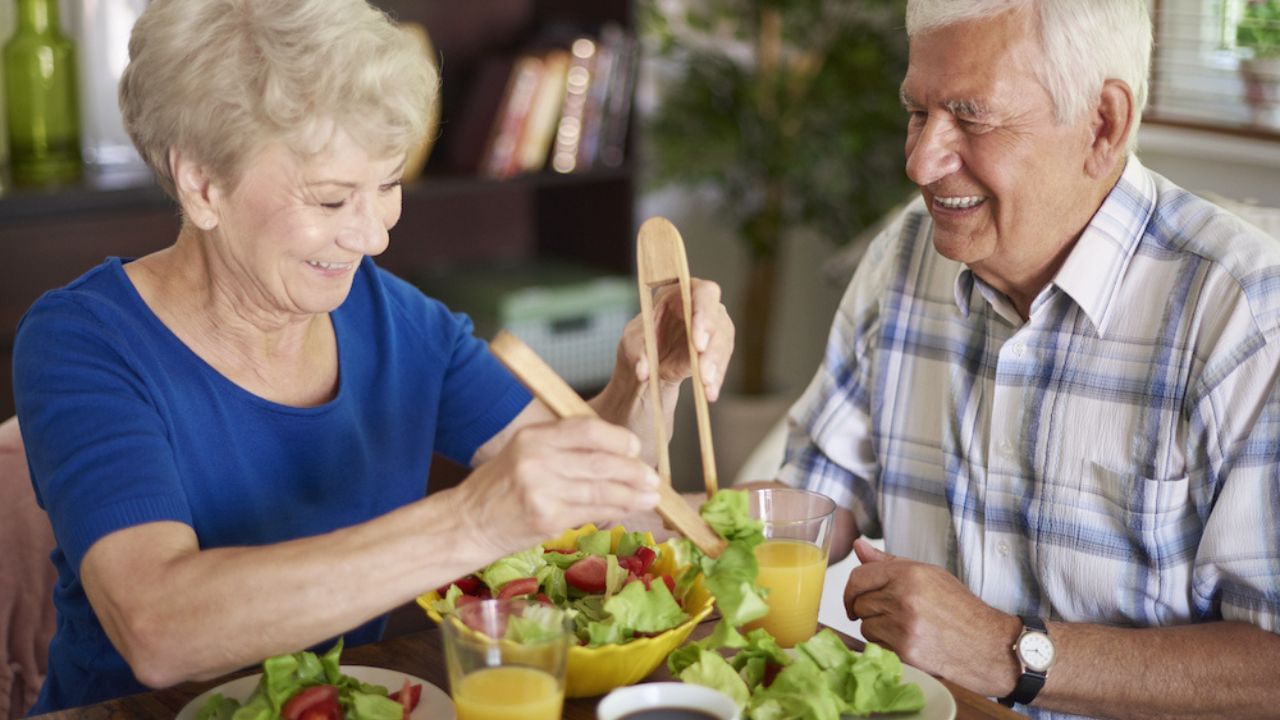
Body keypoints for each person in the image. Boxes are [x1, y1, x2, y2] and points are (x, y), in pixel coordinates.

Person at [11, 0, 734, 713]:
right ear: (203, 184)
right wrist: (473, 523)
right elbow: (157, 628)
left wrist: (649, 380)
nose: (374, 236)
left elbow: (594, 507)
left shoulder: (397, 321)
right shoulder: (86, 341)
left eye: (387, 186)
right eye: (331, 200)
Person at [776, 0, 1280, 718]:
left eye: (970, 116)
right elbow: (813, 502)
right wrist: (642, 450)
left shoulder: (1247, 317)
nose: (920, 160)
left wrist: (1006, 649)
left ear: (1103, 124)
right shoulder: (903, 255)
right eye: (917, 113)